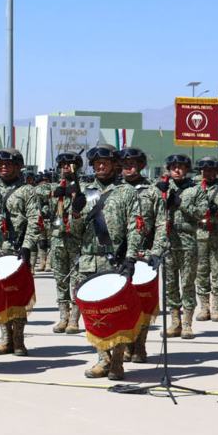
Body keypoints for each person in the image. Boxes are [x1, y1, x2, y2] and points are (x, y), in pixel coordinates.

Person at [69, 144, 142, 380]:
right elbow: (74, 232)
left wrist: (131, 258)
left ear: (115, 165)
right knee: (93, 313)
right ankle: (103, 359)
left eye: (106, 162)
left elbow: (135, 228)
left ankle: (118, 361)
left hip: (115, 261)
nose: (101, 166)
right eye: (97, 163)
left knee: (116, 312)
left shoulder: (126, 192)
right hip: (89, 261)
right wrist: (76, 213)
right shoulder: (85, 192)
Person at [0, 148, 41, 357]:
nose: (4, 168)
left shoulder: (27, 191)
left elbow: (35, 220)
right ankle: (5, 338)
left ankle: (18, 339)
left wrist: (27, 246)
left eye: (8, 164)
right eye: (0, 164)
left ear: (18, 167)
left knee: (18, 296)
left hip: (18, 250)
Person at [119, 147, 168, 362]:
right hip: (119, 255)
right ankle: (125, 344)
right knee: (122, 302)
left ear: (141, 166)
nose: (128, 166)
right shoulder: (114, 190)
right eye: (124, 163)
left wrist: (157, 250)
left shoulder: (153, 192)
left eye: (133, 163)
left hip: (144, 254)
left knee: (143, 302)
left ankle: (140, 344)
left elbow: (161, 223)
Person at [159, 154, 208, 339]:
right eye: (174, 167)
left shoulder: (195, 190)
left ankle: (187, 324)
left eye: (181, 167)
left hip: (187, 240)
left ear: (187, 169)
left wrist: (181, 205)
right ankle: (175, 322)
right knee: (170, 283)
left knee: (187, 282)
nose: (177, 170)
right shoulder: (163, 188)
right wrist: (160, 195)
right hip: (169, 241)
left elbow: (203, 213)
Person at [48, 152, 84, 333]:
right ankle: (63, 316)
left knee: (77, 280)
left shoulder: (84, 187)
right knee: (60, 279)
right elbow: (44, 208)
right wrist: (54, 195)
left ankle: (75, 319)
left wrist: (75, 193)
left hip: (77, 240)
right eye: (62, 165)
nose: (66, 168)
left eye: (70, 165)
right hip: (58, 239)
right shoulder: (54, 188)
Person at [194, 156, 218, 322]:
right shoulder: (194, 189)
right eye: (205, 170)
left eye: (212, 170)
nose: (208, 173)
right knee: (201, 273)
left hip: (217, 236)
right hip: (199, 236)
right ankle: (204, 307)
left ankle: (216, 308)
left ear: (217, 172)